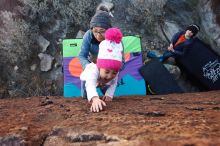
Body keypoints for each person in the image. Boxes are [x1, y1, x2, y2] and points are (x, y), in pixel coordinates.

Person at [80, 28, 123, 113]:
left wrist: (109, 95)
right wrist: (95, 98)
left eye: (114, 73)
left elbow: (114, 83)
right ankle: (87, 95)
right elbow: (90, 84)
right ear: (99, 67)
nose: (110, 76)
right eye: (107, 71)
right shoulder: (93, 70)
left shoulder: (113, 73)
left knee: (106, 90)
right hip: (87, 80)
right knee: (85, 95)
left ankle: (104, 92)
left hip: (103, 82)